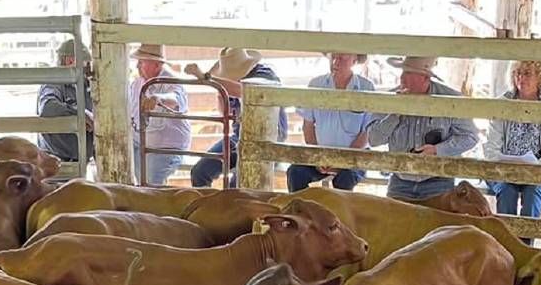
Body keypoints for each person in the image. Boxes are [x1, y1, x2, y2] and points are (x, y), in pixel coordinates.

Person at [365, 56, 478, 201]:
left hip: (438, 179)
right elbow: (373, 139)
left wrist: (437, 150)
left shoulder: (451, 99)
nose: (402, 77)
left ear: (425, 77)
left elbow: (470, 137)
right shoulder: (389, 99)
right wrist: (395, 112)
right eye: (403, 72)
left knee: (438, 223)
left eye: (408, 73)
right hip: (400, 178)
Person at [483, 60, 541, 226]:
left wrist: (536, 165)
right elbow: (490, 146)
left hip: (540, 169)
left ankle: (526, 245)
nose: (520, 78)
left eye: (527, 73)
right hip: (505, 169)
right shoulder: (503, 103)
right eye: (517, 73)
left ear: (540, 77)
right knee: (505, 190)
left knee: (534, 191)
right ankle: (507, 242)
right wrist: (505, 163)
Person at [186, 47, 288, 188]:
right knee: (199, 172)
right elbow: (226, 113)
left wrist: (209, 79)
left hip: (268, 139)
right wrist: (219, 90)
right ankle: (208, 207)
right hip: (239, 136)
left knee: (238, 183)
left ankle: (230, 208)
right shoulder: (228, 84)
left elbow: (246, 91)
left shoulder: (264, 75)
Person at [287, 53, 378, 192]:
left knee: (345, 179)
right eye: (333, 57)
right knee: (295, 172)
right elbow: (308, 126)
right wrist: (317, 156)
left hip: (354, 155)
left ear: (354, 60)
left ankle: (340, 213)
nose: (335, 62)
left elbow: (366, 132)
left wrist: (342, 161)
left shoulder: (366, 87)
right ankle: (298, 210)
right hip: (320, 153)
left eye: (342, 58)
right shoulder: (316, 84)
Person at [127, 44, 190, 185]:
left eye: (141, 62)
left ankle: (149, 204)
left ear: (156, 65)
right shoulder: (138, 83)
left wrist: (159, 98)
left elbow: (176, 99)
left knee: (150, 181)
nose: (137, 66)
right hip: (139, 141)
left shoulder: (172, 82)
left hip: (164, 147)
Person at [37, 39, 94, 164]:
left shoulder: (84, 85)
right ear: (70, 61)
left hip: (80, 161)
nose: (87, 67)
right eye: (85, 62)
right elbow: (48, 108)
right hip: (57, 163)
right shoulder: (53, 83)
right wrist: (80, 113)